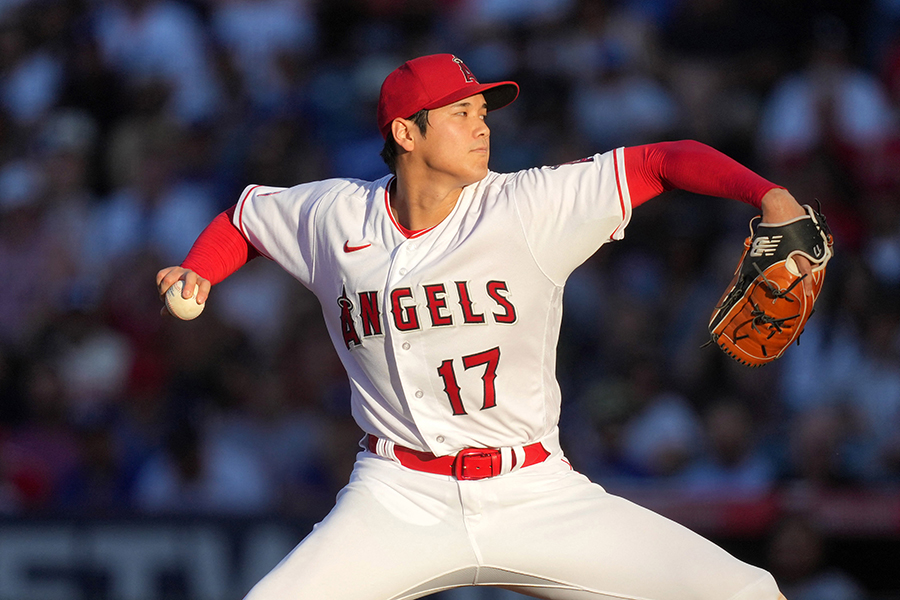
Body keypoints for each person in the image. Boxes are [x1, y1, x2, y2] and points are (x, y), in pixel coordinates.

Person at [157, 53, 812, 600]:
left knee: (745, 593)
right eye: (460, 113)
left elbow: (662, 159)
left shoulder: (528, 206)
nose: (482, 127)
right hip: (397, 495)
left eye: (483, 112)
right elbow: (244, 221)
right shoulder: (335, 216)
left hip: (533, 490)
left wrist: (769, 196)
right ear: (406, 134)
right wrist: (198, 271)